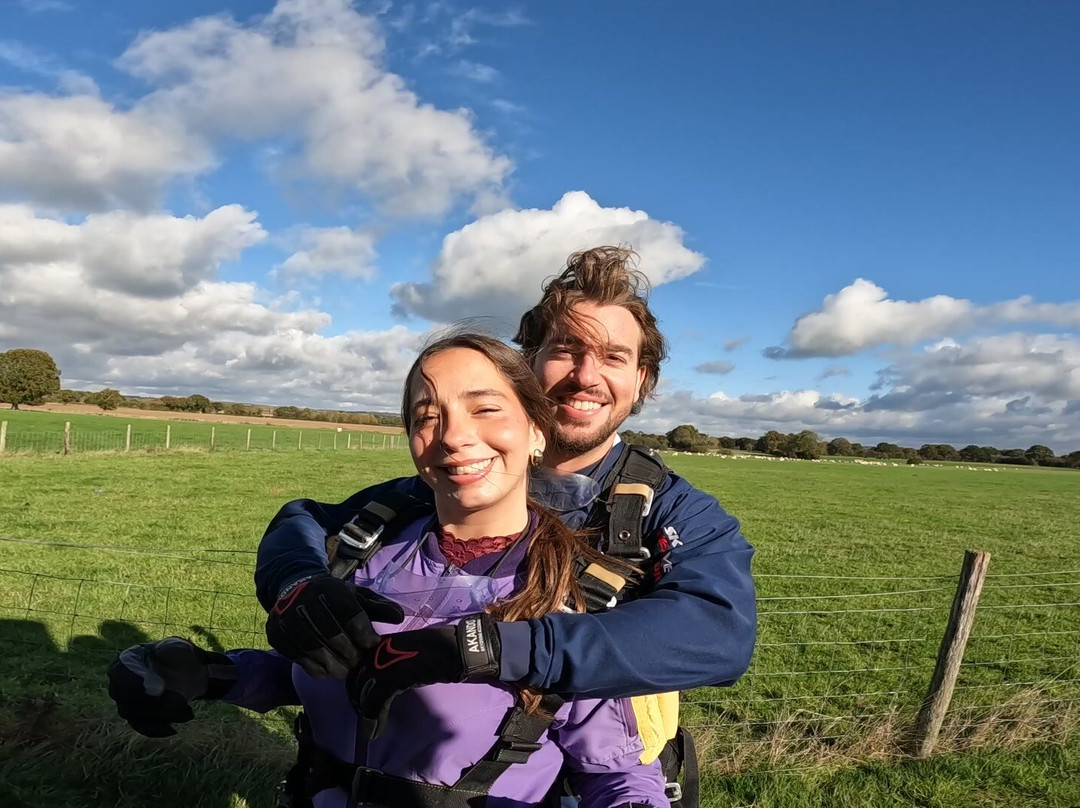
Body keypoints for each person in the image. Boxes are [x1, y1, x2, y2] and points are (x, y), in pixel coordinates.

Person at [257, 248, 756, 804]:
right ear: (529, 364)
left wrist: (488, 646)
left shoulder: (672, 513)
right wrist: (296, 584)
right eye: (566, 350)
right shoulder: (454, 479)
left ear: (640, 381)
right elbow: (305, 521)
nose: (586, 376)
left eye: (614, 357)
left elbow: (718, 633)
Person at [108, 333, 670, 808]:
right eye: (428, 417)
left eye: (485, 408)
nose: (452, 435)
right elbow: (314, 676)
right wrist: (209, 675)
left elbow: (617, 773)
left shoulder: (578, 593)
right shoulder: (368, 552)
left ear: (537, 432)